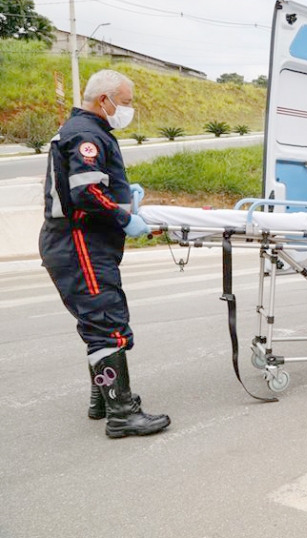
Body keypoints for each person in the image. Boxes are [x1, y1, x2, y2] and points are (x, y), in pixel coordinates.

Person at [39, 69, 170, 439]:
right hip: (79, 241)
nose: (127, 109)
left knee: (97, 322)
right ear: (104, 100)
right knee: (105, 323)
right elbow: (85, 193)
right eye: (125, 103)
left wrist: (126, 197)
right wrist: (123, 215)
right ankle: (122, 413)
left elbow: (92, 186)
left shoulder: (87, 130)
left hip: (80, 242)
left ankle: (104, 400)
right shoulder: (86, 134)